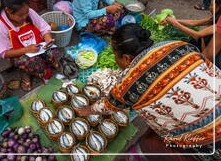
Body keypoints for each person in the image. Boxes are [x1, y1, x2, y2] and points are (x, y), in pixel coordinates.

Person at [77, 23, 221, 160]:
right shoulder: (179, 45)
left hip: (212, 141)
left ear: (126, 58)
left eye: (115, 55)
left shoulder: (128, 83)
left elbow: (106, 107)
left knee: (145, 150)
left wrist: (83, 111)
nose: (115, 59)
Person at [0, 0, 58, 91]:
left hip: (39, 47)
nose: (24, 17)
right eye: (20, 15)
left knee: (53, 51)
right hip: (21, 54)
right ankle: (26, 73)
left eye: (26, 13)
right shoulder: (0, 26)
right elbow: (3, 52)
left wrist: (48, 39)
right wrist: (26, 50)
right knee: (35, 64)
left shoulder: (28, 12)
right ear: (8, 10)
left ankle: (48, 63)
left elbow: (44, 28)